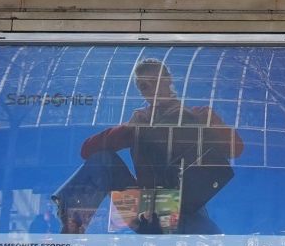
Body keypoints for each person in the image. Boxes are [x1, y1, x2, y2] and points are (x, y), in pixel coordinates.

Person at [57, 59, 244, 234]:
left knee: (216, 245)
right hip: (145, 209)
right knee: (104, 160)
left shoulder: (199, 117)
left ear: (168, 80)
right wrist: (130, 128)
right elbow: (87, 151)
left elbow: (236, 149)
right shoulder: (140, 123)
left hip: (184, 208)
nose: (150, 89)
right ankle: (72, 226)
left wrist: (205, 123)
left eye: (155, 80)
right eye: (143, 86)